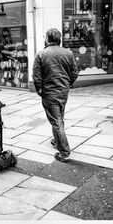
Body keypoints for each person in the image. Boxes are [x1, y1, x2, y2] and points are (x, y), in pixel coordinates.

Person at [33, 28, 78, 162]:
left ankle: (64, 152)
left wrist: (39, 90)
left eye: (45, 37)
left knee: (56, 120)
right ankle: (57, 140)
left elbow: (36, 76)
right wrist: (68, 84)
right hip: (63, 92)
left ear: (47, 38)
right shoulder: (68, 53)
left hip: (50, 92)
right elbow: (74, 73)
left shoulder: (41, 54)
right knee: (59, 117)